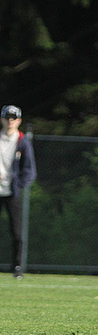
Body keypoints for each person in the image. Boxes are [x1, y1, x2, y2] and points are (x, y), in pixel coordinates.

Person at [0, 105, 36, 280]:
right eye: (7, 118)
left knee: (16, 231)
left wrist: (18, 184)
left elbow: (30, 171)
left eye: (13, 118)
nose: (10, 121)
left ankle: (17, 266)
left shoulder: (22, 142)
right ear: (2, 119)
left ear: (19, 121)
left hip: (12, 192)